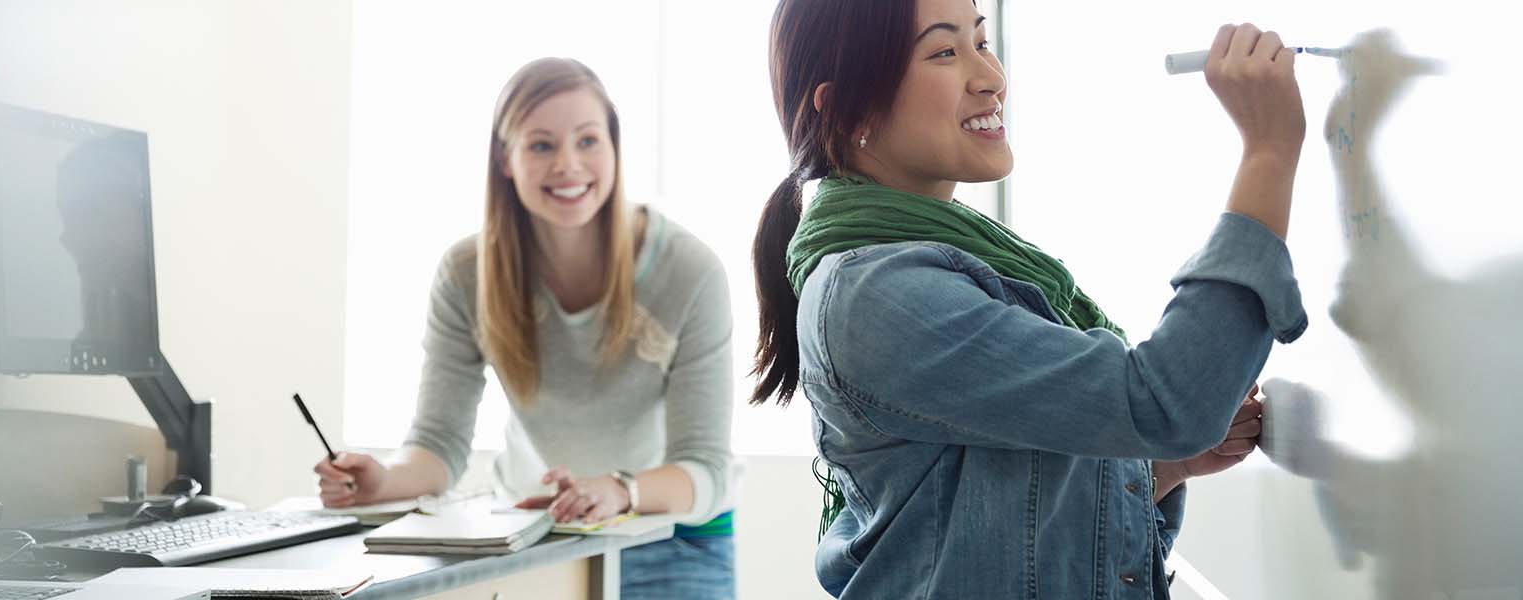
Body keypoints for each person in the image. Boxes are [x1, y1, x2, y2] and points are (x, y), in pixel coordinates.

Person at [748, 1, 1309, 598]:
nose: (991, 77)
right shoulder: (876, 295)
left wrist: (1165, 468)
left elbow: (997, 515)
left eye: (981, 42)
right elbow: (1161, 404)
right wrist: (1268, 154)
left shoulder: (959, 259)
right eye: (944, 51)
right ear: (845, 108)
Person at [316, 57, 738, 598]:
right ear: (506, 159)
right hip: (541, 531)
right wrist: (383, 480)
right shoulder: (467, 275)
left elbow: (704, 467)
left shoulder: (690, 270)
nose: (568, 164)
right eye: (541, 145)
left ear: (613, 148)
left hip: (676, 535)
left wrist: (618, 490)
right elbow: (438, 446)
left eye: (588, 141)